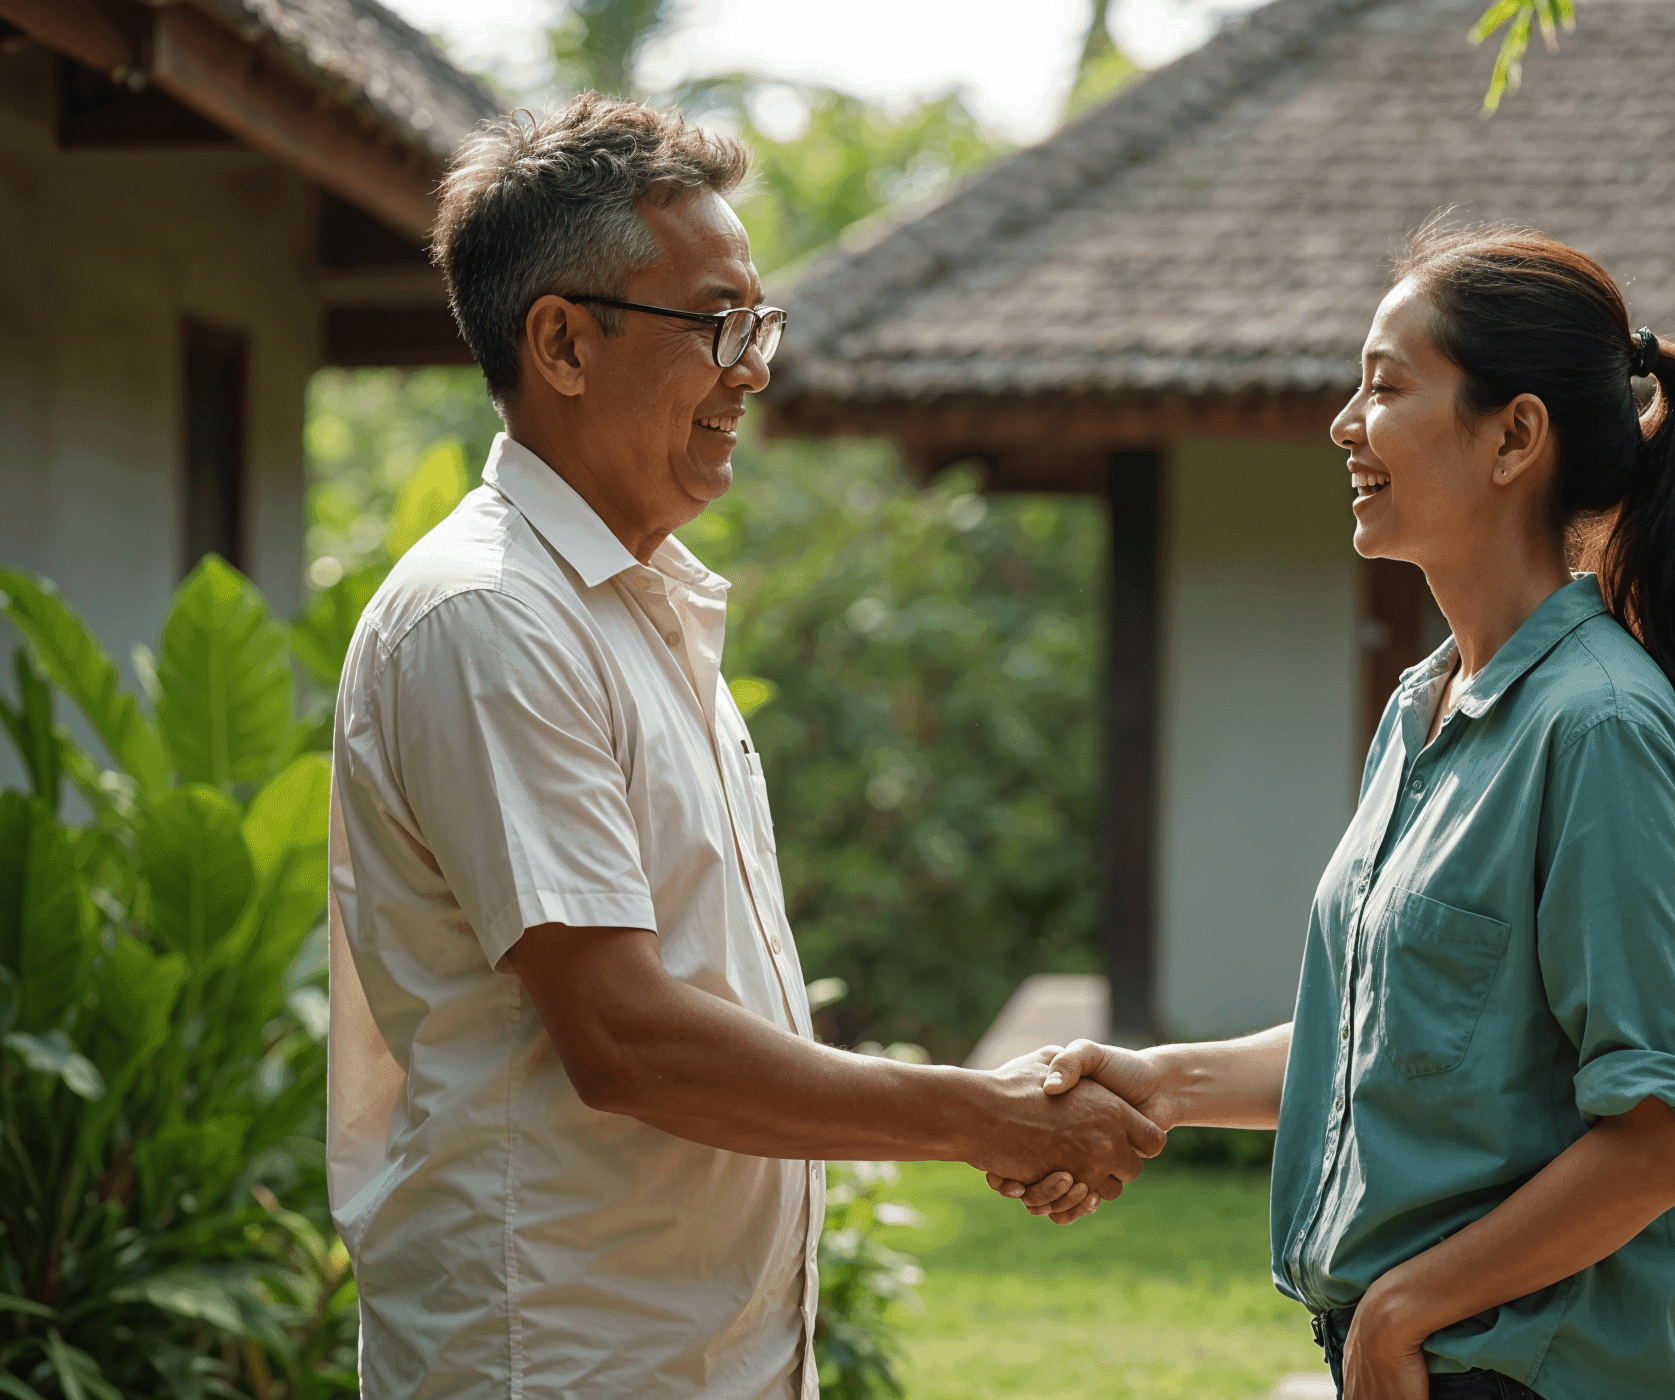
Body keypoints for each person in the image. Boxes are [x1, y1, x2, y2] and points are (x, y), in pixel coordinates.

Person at [325, 94, 1161, 1400]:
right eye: (718, 322)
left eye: (757, 323)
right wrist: (980, 1116)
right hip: (560, 1358)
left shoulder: (633, 610)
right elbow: (628, 1037)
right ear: (561, 343)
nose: (754, 366)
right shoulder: (495, 617)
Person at [990, 220, 1675, 1400]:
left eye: (1384, 388)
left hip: (1528, 1371)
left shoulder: (1595, 731)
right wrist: (1158, 1081)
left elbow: (1659, 1137)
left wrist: (1401, 1309)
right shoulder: (1425, 703)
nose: (1343, 421)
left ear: (1513, 435)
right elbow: (1391, 1037)